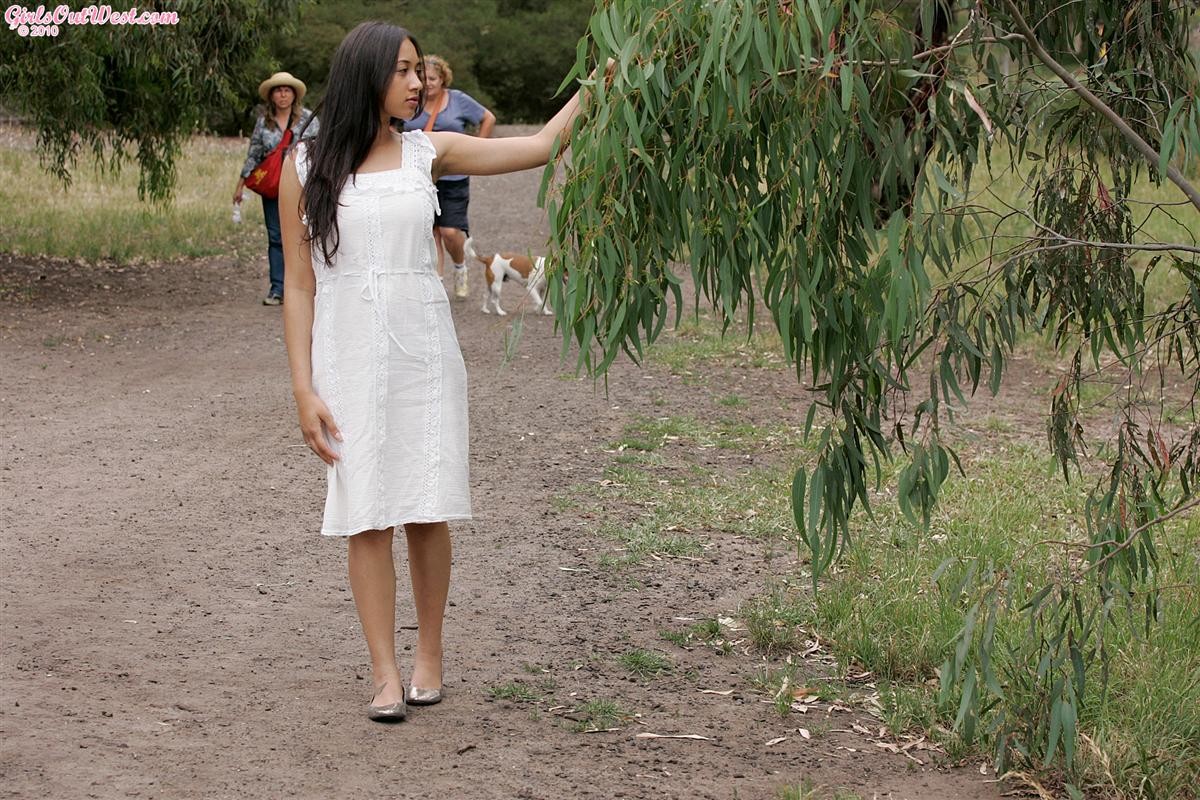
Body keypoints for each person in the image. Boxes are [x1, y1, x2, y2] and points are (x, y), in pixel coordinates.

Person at [277, 21, 587, 722]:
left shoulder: (428, 151)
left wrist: (599, 85)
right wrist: (303, 388)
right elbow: (300, 285)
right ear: (367, 75)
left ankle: (430, 657)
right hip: (348, 355)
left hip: (424, 349)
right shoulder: (305, 165)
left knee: (425, 505)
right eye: (407, 71)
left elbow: (538, 147)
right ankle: (384, 674)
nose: (421, 84)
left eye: (420, 70)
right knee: (365, 516)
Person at [402, 55, 495, 299]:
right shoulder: (411, 100)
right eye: (423, 77)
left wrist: (477, 149)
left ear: (443, 79)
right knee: (429, 231)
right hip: (420, 176)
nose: (427, 83)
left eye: (432, 78)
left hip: (454, 177)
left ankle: (460, 266)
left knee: (449, 231)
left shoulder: (458, 101)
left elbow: (488, 118)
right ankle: (436, 284)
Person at [234, 72, 320, 306]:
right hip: (274, 187)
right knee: (275, 236)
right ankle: (277, 287)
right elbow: (254, 153)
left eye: (287, 90)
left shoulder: (309, 120)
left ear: (294, 94)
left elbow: (320, 152)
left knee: (306, 233)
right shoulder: (264, 122)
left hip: (303, 185)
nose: (282, 94)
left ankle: (307, 284)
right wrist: (241, 184)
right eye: (278, 90)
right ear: (272, 96)